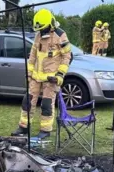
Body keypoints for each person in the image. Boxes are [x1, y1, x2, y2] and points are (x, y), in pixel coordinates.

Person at [11, 9, 72, 139]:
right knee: (27, 101)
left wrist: (60, 75)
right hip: (35, 77)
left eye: (43, 29)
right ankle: (23, 127)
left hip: (51, 78)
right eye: (40, 30)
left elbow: (67, 56)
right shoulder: (38, 36)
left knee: (46, 104)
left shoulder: (60, 35)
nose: (41, 32)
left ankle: (45, 130)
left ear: (50, 24)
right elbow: (32, 56)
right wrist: (29, 74)